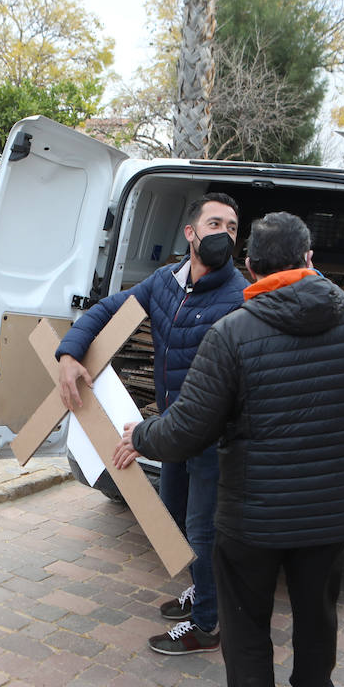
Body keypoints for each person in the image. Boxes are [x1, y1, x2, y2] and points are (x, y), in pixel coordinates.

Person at [113, 211, 344, 687]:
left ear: (250, 266)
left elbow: (187, 429)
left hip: (252, 519)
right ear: (310, 258)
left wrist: (139, 435)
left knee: (246, 629)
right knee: (318, 612)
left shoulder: (233, 334)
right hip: (329, 515)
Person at [55, 192, 245, 656]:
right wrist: (68, 353)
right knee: (176, 517)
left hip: (211, 439)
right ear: (191, 233)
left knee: (203, 530)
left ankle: (207, 625)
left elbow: (232, 388)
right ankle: (204, 591)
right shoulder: (164, 283)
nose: (225, 234)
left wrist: (148, 437)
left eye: (233, 228)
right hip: (175, 430)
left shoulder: (238, 298)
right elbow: (104, 310)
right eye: (216, 224)